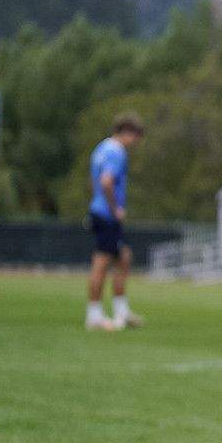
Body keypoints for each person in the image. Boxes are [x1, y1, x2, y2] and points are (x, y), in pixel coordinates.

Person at [85, 113, 145, 331]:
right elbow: (107, 182)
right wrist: (115, 208)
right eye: (136, 137)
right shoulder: (117, 152)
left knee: (124, 257)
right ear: (127, 132)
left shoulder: (101, 148)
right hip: (107, 215)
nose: (136, 143)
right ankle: (94, 315)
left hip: (99, 210)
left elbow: (95, 181)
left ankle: (121, 311)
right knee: (101, 263)